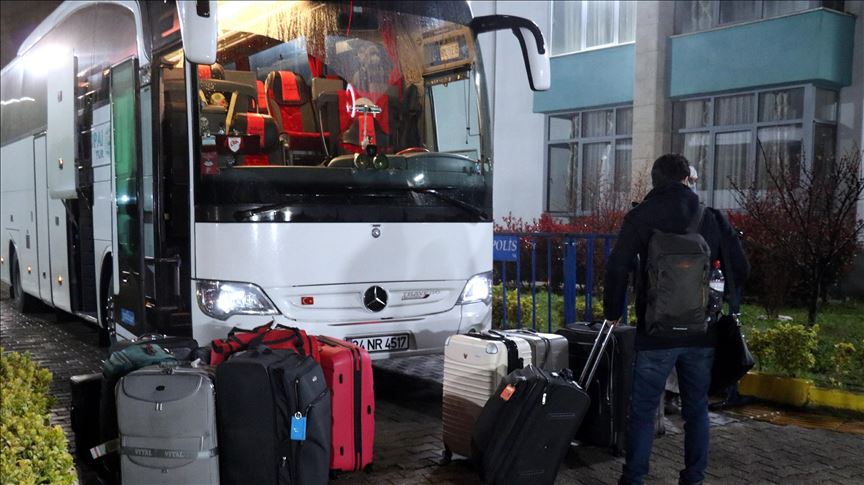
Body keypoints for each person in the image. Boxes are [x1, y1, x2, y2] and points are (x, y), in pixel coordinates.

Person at [605, 154, 749, 485]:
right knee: (696, 410)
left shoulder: (640, 216)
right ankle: (693, 478)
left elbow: (617, 267)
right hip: (701, 332)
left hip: (655, 332)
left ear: (655, 181)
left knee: (643, 411)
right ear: (687, 179)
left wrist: (613, 313)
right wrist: (718, 295)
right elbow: (741, 268)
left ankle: (634, 478)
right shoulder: (710, 216)